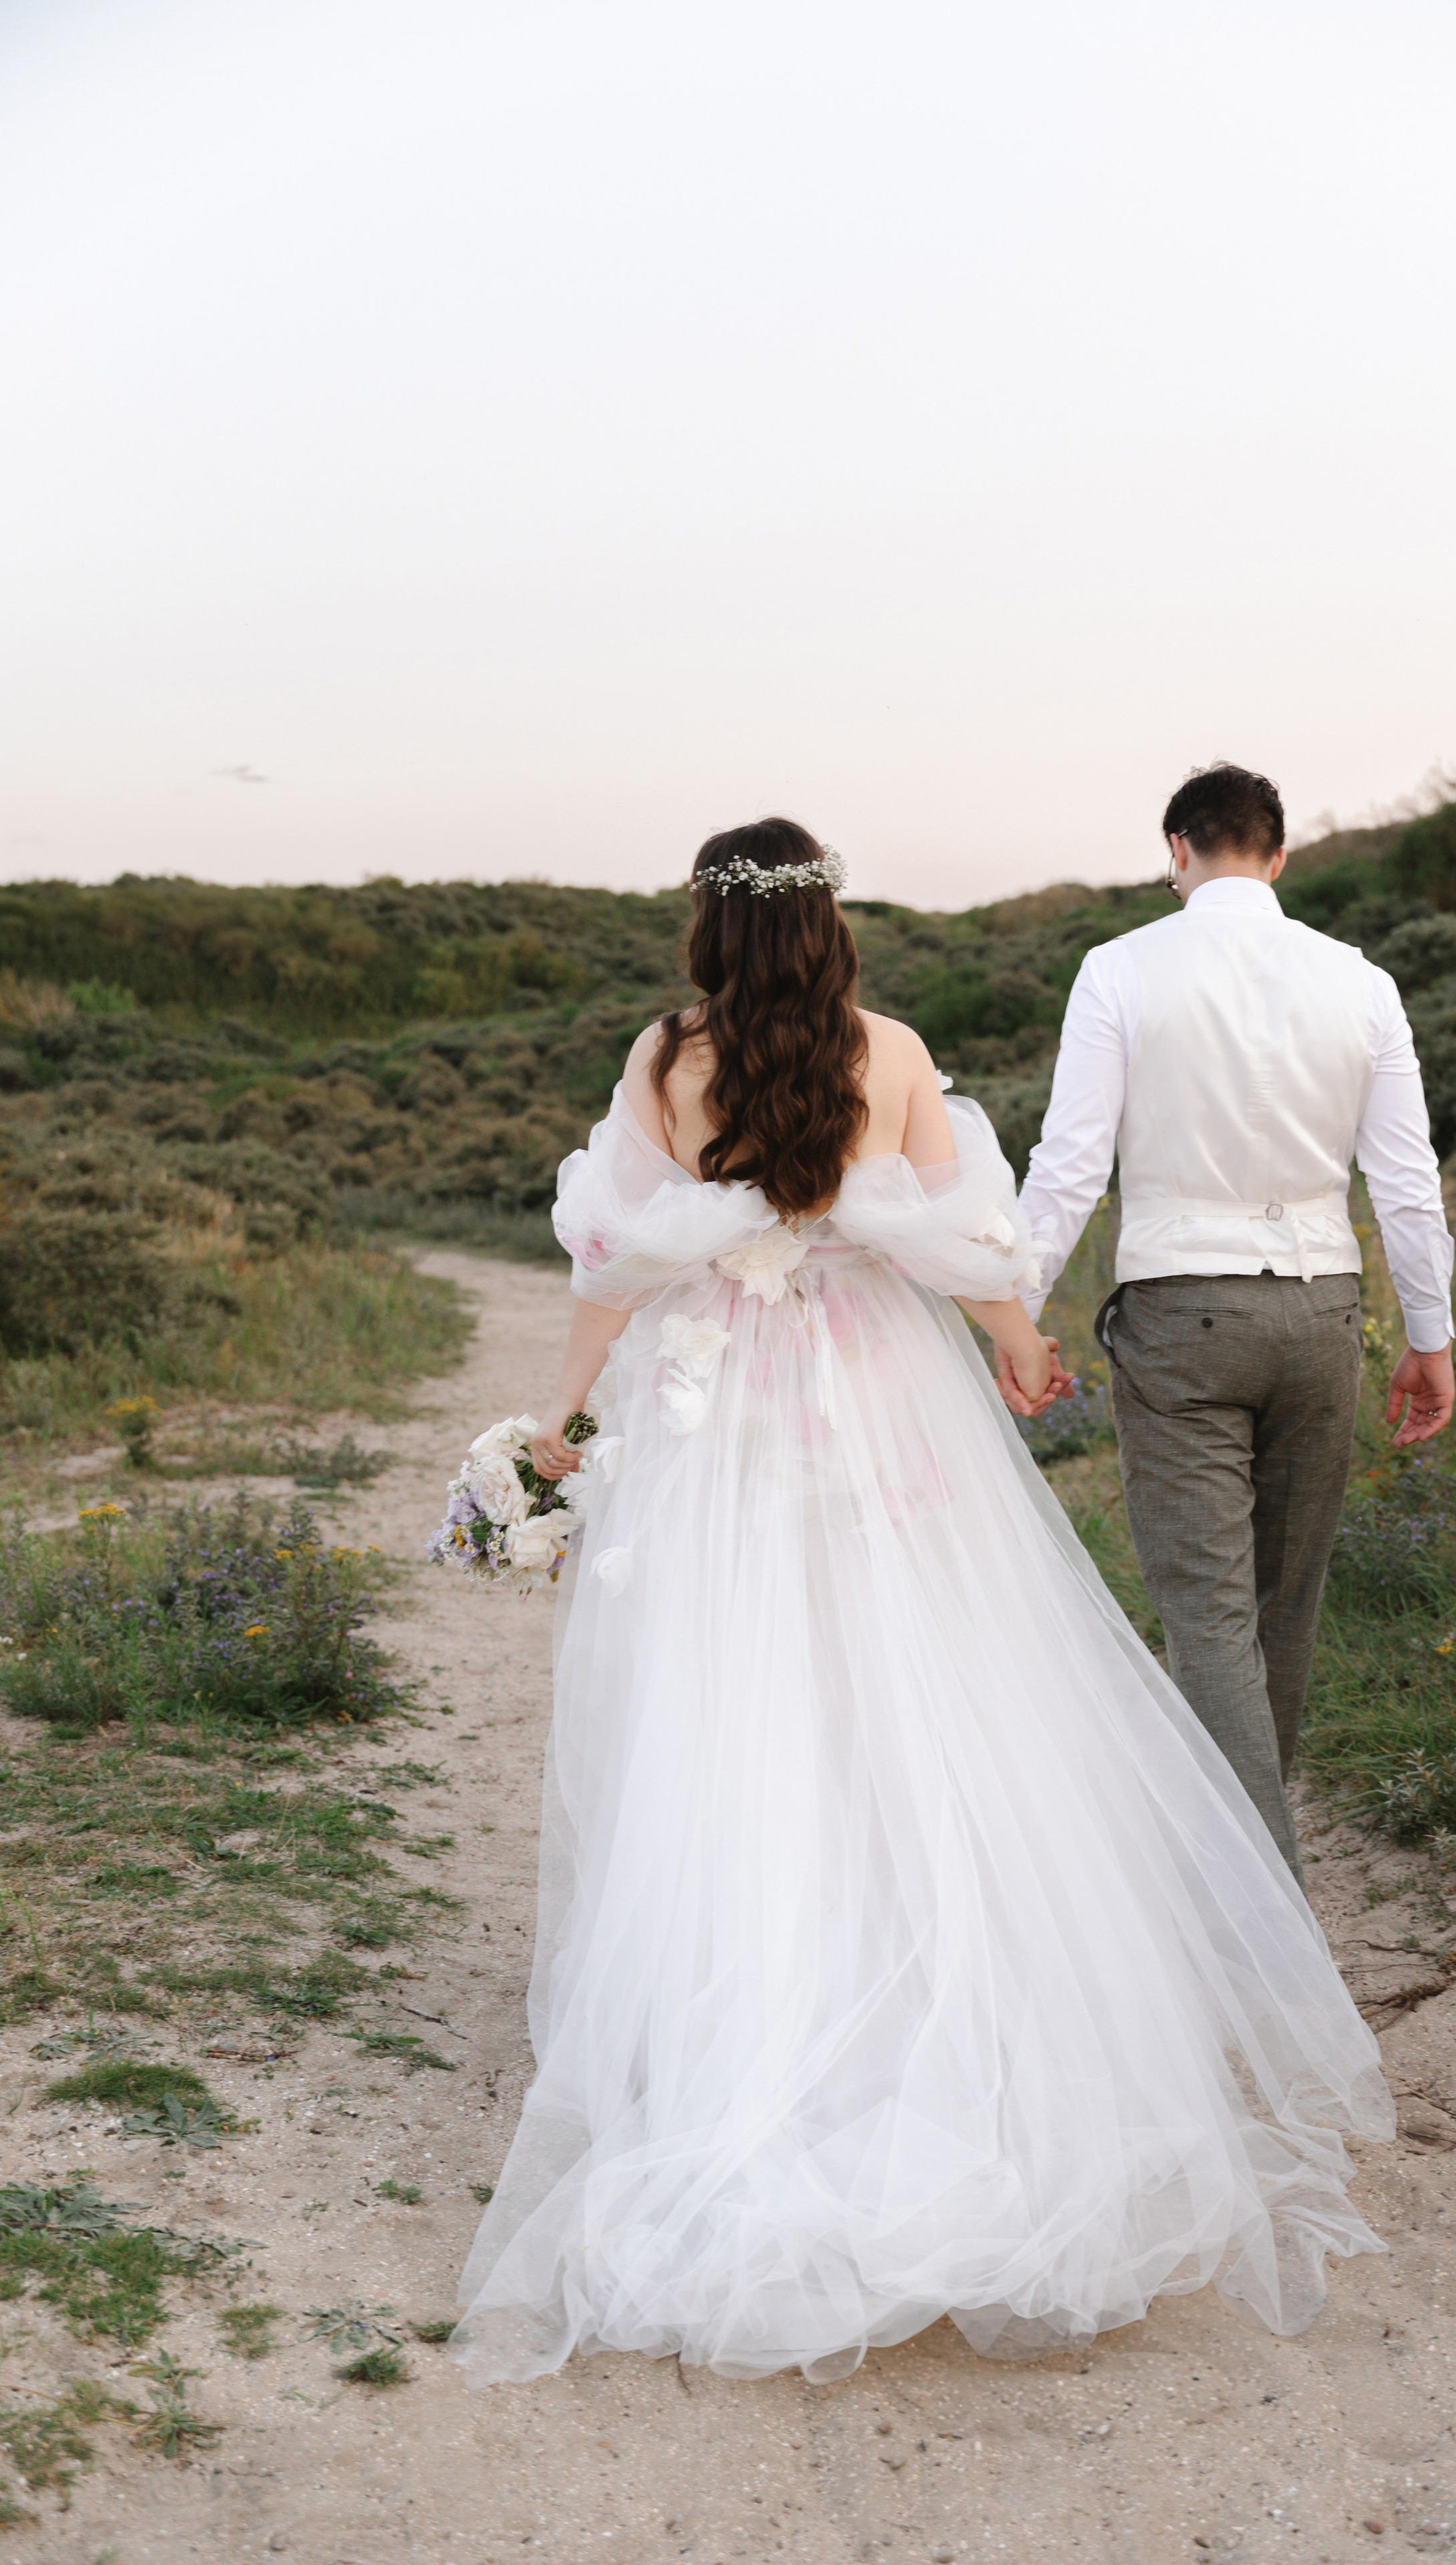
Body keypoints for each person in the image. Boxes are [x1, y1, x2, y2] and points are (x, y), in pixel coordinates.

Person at [451, 817, 1392, 2390]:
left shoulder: (666, 1059)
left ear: (709, 927)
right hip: (876, 1405)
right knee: (911, 1677)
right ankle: (917, 1982)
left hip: (721, 1414)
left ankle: (746, 2010)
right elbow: (963, 1241)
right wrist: (1018, 1343)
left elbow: (613, 1260)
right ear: (828, 923)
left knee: (739, 1694)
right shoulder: (886, 1051)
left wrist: (559, 1418)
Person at [1011, 764, 1456, 1883]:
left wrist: (1017, 1316)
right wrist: (1431, 1335)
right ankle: (1255, 1875)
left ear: (1177, 850)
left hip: (1182, 1316)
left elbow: (1070, 1166)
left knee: (1207, 1614)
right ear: (1279, 855)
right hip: (1321, 1313)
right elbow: (1407, 1180)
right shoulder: (1361, 980)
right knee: (1282, 1608)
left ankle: (1257, 1899)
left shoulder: (1120, 969)